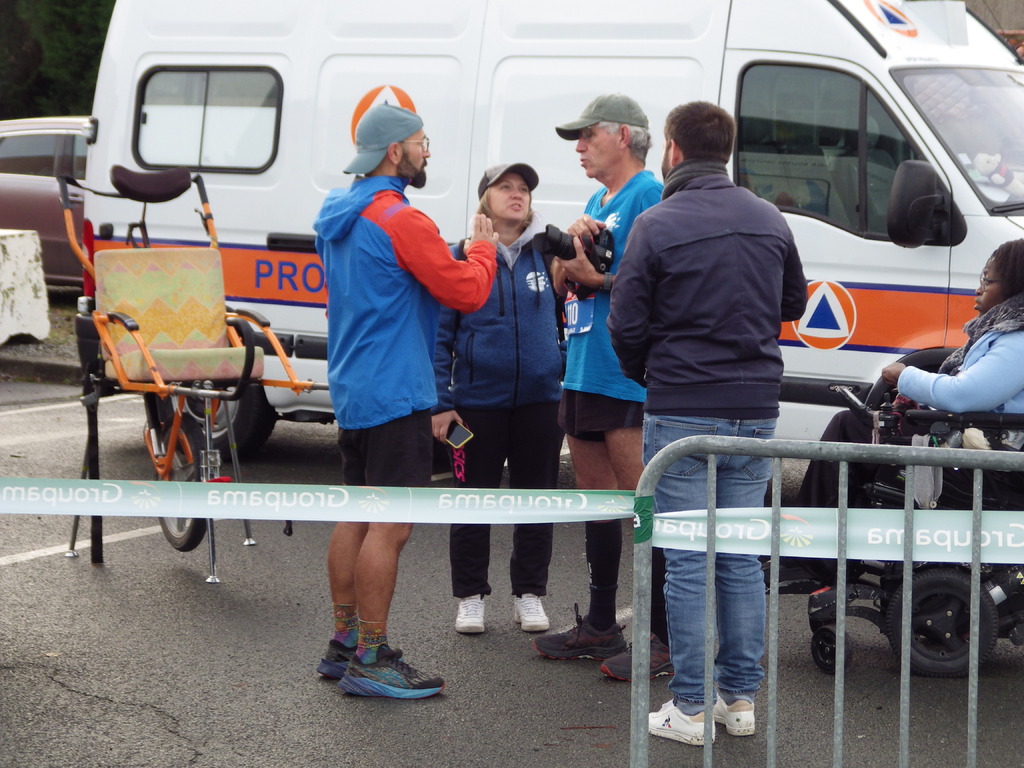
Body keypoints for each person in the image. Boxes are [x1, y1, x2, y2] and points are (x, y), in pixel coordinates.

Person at [608, 101, 807, 746]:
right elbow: (793, 302)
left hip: (683, 407)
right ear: (726, 150)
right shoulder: (769, 217)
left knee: (689, 561)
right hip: (756, 409)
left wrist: (650, 374)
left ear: (672, 149)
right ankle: (738, 700)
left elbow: (625, 322)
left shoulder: (656, 224)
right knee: (741, 557)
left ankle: (690, 708)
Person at [312, 103, 497, 699]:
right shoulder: (402, 219)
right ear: (395, 152)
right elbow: (467, 292)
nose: (427, 151)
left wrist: (443, 253)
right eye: (421, 141)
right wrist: (482, 249)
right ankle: (372, 657)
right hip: (398, 390)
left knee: (357, 514)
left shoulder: (336, 212)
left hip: (354, 384)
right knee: (389, 525)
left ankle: (344, 643)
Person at [530, 93, 672, 681]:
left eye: (588, 136)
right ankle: (599, 622)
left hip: (623, 374)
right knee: (597, 502)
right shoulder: (596, 201)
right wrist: (570, 247)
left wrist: (596, 274)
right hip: (583, 365)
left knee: (644, 506)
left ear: (623, 136)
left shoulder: (649, 196)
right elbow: (564, 281)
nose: (580, 148)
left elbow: (655, 283)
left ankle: (663, 636)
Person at [794, 239, 1024, 514]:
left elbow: (964, 395)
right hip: (973, 438)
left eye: (986, 281)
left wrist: (905, 376)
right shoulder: (1005, 333)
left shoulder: (1017, 340)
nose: (978, 290)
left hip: (992, 458)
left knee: (849, 427)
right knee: (859, 426)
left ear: (1014, 284)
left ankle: (810, 532)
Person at [432, 162, 565, 635]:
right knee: (474, 501)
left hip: (540, 402)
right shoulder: (461, 256)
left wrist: (559, 367)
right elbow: (439, 337)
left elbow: (566, 321)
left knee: (537, 501)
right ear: (484, 198)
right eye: (505, 186)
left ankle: (529, 594)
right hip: (476, 405)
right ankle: (471, 596)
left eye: (523, 187)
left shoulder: (547, 255)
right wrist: (441, 402)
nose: (516, 194)